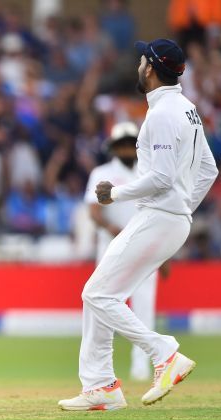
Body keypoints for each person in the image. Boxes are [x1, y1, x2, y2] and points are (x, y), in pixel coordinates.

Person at [59, 39, 219, 411]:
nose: (138, 64)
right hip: (170, 217)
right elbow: (208, 170)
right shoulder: (187, 109)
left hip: (159, 215)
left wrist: (116, 194)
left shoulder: (163, 114)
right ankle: (101, 386)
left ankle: (163, 353)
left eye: (141, 59)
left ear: (150, 67)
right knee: (100, 293)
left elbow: (162, 178)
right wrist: (184, 207)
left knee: (96, 294)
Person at [84, 121, 166, 382]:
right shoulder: (101, 172)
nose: (128, 149)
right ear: (114, 148)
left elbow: (159, 213)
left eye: (132, 143)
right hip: (111, 251)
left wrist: (163, 252)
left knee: (144, 309)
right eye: (122, 144)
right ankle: (102, 372)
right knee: (103, 310)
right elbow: (93, 211)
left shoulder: (149, 171)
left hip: (145, 250)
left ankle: (142, 367)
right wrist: (113, 229)